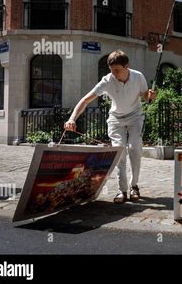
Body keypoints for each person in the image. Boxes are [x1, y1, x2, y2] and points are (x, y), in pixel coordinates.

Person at [63, 50, 156, 204]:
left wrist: (151, 96)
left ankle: (134, 186)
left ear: (127, 66)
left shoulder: (138, 76)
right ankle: (122, 190)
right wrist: (72, 119)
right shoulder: (107, 81)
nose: (114, 74)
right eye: (111, 70)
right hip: (116, 119)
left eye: (117, 70)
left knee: (135, 149)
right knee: (119, 151)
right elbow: (85, 100)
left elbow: (145, 96)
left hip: (135, 117)